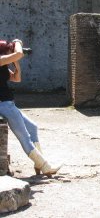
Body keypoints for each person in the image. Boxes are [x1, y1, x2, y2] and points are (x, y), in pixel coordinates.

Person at [0, 39, 61, 177]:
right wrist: (17, 42)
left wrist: (16, 63)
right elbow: (19, 53)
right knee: (24, 137)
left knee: (32, 127)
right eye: (9, 50)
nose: (12, 52)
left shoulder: (3, 65)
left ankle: (38, 164)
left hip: (8, 104)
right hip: (3, 104)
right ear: (4, 51)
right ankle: (45, 166)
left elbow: (17, 78)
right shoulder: (0, 59)